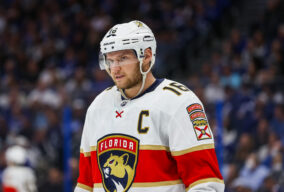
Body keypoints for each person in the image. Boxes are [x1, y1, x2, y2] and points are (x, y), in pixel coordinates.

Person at [74, 20, 224, 192]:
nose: (115, 68)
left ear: (146, 56)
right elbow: (86, 184)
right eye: (110, 60)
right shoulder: (98, 106)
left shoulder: (180, 102)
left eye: (123, 58)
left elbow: (205, 184)